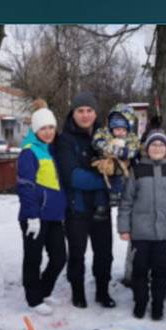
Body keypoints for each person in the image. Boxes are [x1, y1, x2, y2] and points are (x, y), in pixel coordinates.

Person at [54, 92, 116, 309]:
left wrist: (115, 175)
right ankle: (78, 292)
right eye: (80, 110)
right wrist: (106, 180)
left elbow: (118, 166)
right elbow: (73, 177)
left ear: (95, 113)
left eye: (89, 110)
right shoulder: (65, 140)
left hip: (101, 208)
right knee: (77, 254)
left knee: (104, 254)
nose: (85, 115)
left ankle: (102, 291)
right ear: (73, 113)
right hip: (76, 208)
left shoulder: (105, 137)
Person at [117, 130, 166, 321]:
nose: (157, 148)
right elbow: (127, 201)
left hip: (164, 232)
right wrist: (124, 227)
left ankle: (158, 305)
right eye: (153, 145)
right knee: (139, 270)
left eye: (161, 145)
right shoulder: (137, 170)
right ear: (147, 149)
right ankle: (140, 302)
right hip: (141, 232)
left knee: (160, 271)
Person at [16, 100, 67, 315]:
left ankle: (43, 291)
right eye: (43, 128)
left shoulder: (52, 150)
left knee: (59, 258)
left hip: (54, 216)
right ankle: (33, 299)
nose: (48, 132)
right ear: (35, 130)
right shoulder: (29, 152)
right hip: (35, 217)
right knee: (33, 258)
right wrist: (32, 216)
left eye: (51, 128)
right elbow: (26, 186)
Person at [90, 104, 141, 221]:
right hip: (104, 161)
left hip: (121, 165)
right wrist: (106, 146)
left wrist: (122, 152)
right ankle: (100, 206)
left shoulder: (131, 138)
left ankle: (115, 195)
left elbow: (133, 150)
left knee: (119, 176)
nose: (120, 133)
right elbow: (96, 141)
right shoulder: (104, 132)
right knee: (100, 182)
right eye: (117, 129)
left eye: (123, 130)